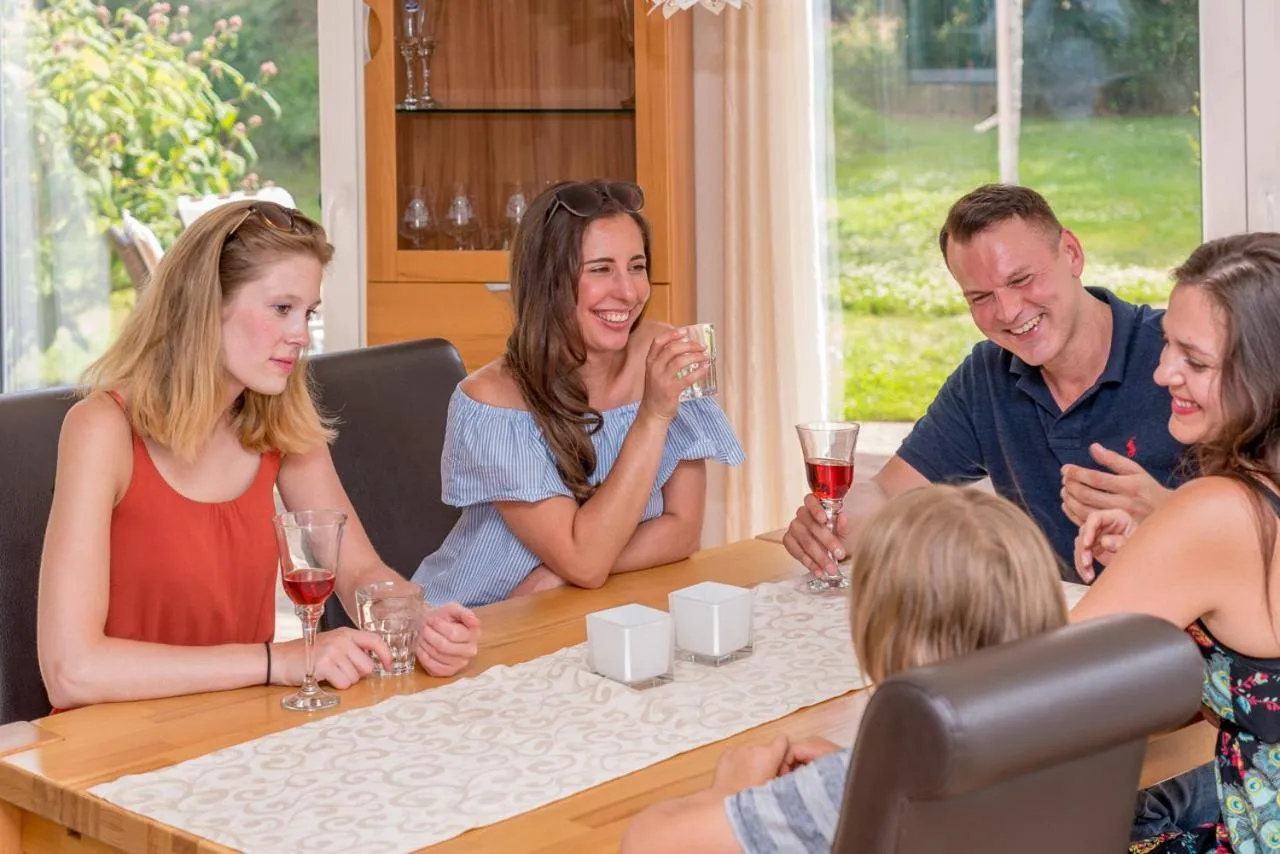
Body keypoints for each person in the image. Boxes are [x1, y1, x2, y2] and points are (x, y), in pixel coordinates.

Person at [37, 201, 480, 710]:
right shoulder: (101, 430)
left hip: (235, 725)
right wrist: (279, 660)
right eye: (281, 308)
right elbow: (71, 671)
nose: (300, 334)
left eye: (307, 313)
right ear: (206, 303)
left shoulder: (279, 423)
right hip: (114, 742)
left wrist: (417, 619)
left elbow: (360, 573)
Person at [620, 485, 1068, 853]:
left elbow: (645, 843)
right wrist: (852, 769)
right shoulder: (1069, 739)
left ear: (877, 633)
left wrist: (727, 792)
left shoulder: (863, 790)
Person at [783, 184, 1185, 582]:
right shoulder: (987, 376)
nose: (1008, 312)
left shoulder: (1183, 356)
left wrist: (1168, 513)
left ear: (1072, 254)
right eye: (980, 297)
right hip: (1058, 629)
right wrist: (833, 525)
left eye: (1022, 279)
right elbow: (890, 494)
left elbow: (1249, 526)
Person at [412, 180, 744, 607]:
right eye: (601, 269)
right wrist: (653, 417)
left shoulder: (663, 356)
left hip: (586, 603)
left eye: (637, 266)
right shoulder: (491, 400)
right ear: (549, 281)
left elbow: (681, 529)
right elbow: (585, 563)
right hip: (478, 621)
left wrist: (558, 574)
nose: (628, 292)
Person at [1073, 232, 1280, 853]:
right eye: (1166, 341)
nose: (1163, 372)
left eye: (1195, 359)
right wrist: (1164, 552)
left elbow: (1038, 694)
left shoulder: (1220, 513)